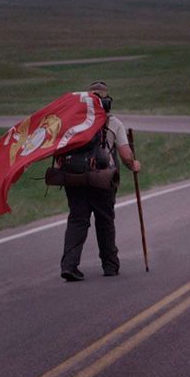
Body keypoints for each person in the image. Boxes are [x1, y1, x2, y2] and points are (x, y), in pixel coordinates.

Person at [60, 81, 141, 282]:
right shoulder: (113, 123)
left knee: (78, 220)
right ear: (107, 101)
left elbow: (60, 152)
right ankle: (110, 265)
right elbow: (124, 154)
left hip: (75, 179)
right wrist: (133, 165)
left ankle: (69, 266)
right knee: (105, 221)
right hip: (102, 180)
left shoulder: (73, 122)